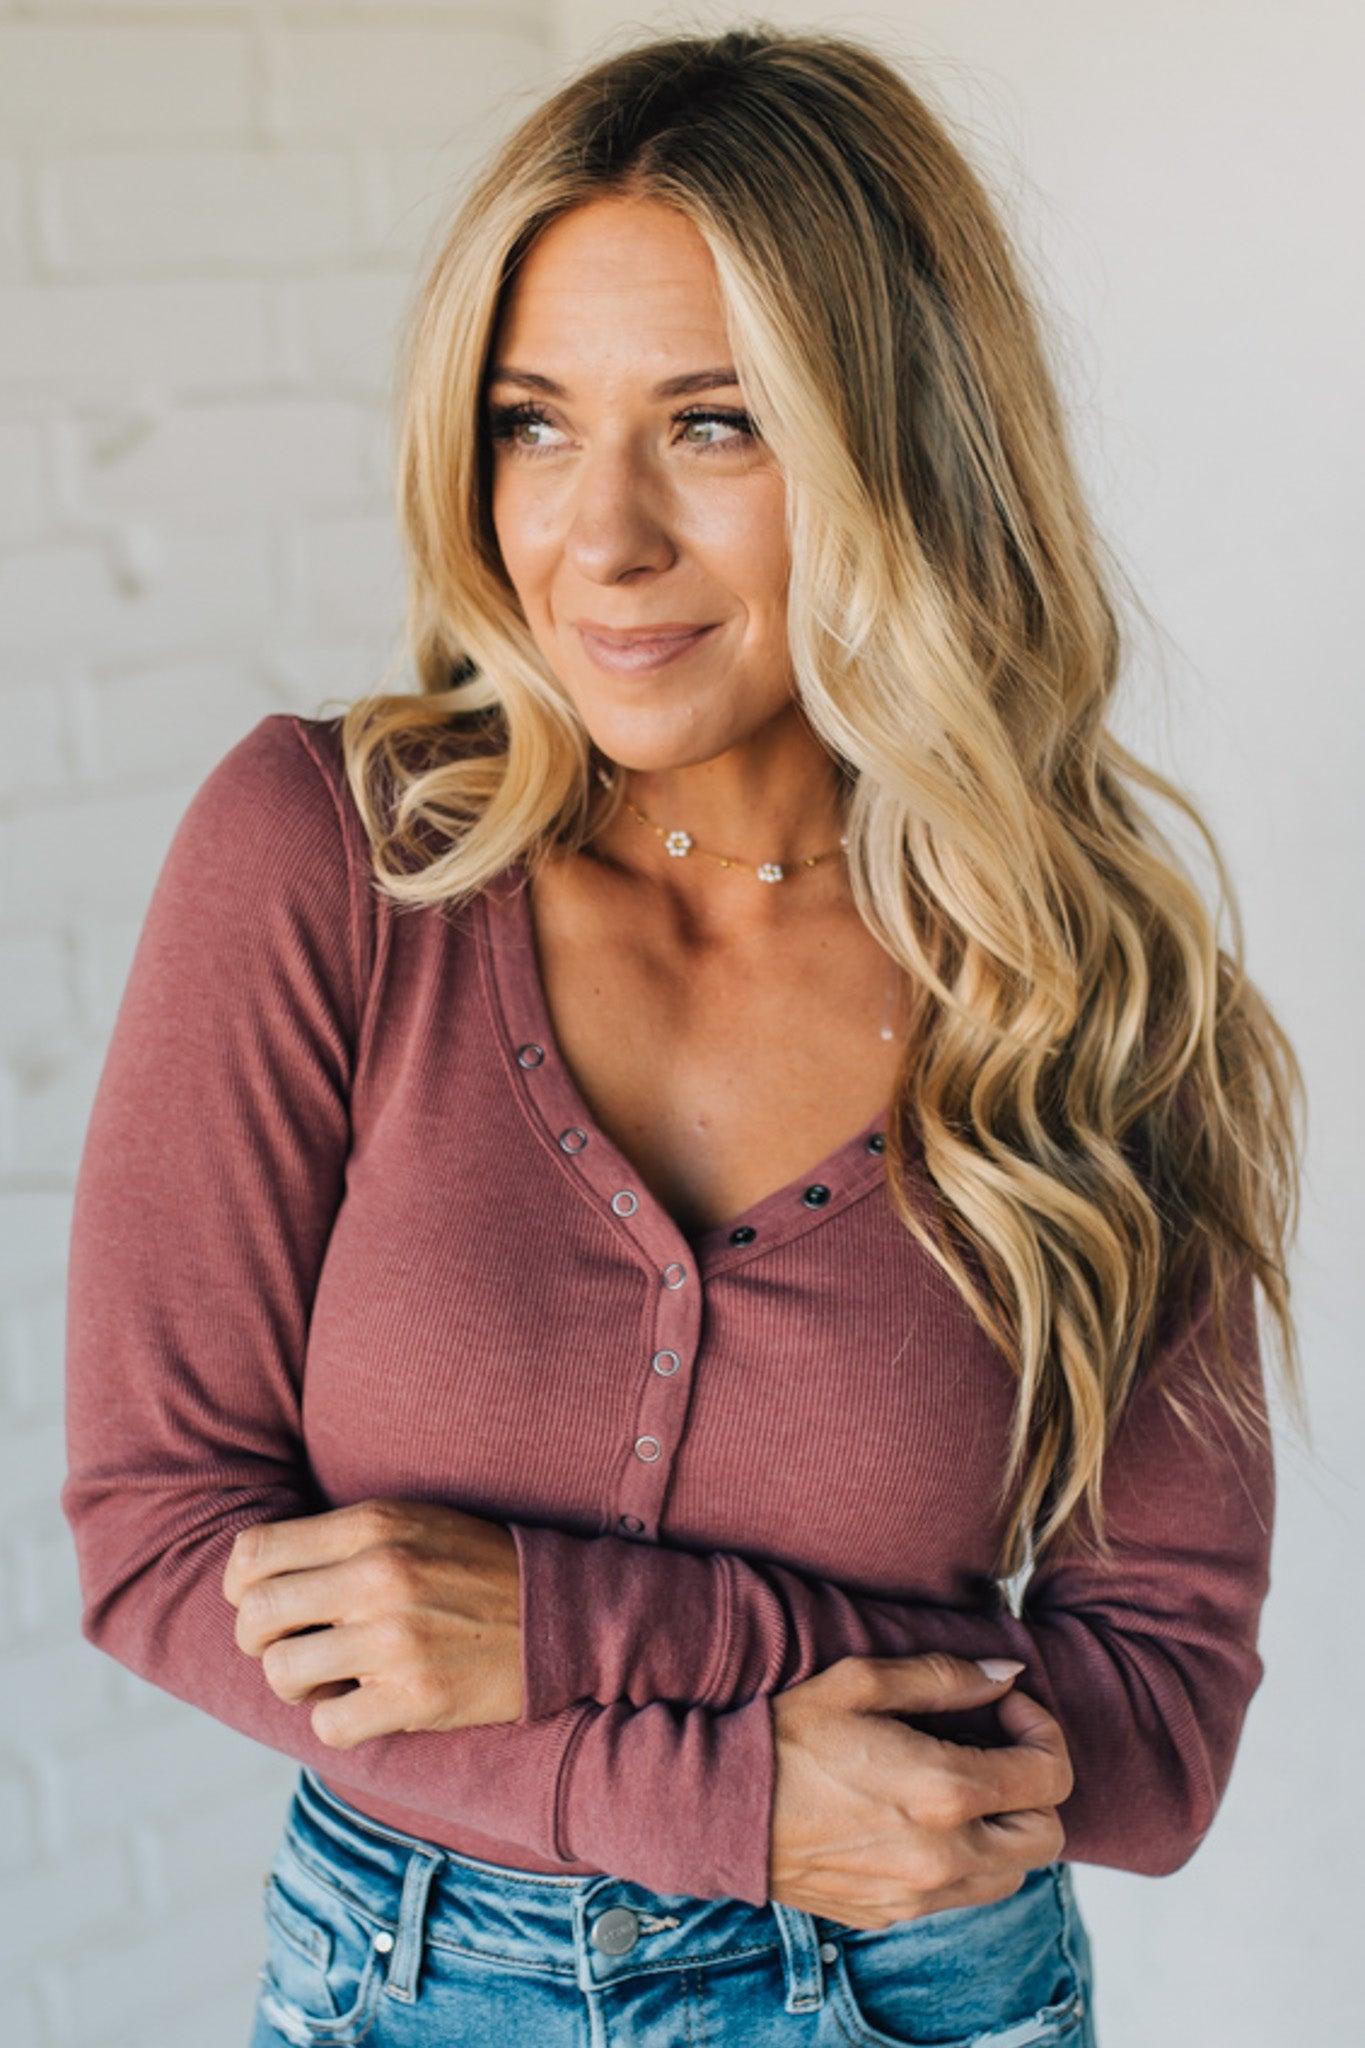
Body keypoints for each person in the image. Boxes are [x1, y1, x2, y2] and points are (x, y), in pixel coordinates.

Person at [60, 24, 1305, 2048]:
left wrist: (555, 1630)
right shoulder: (330, 860)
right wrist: (723, 1790)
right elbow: (160, 1537)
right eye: (533, 423)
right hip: (402, 1988)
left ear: (901, 449)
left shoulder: (1093, 999)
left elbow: (1154, 1733)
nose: (596, 539)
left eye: (713, 425)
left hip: (912, 1996)